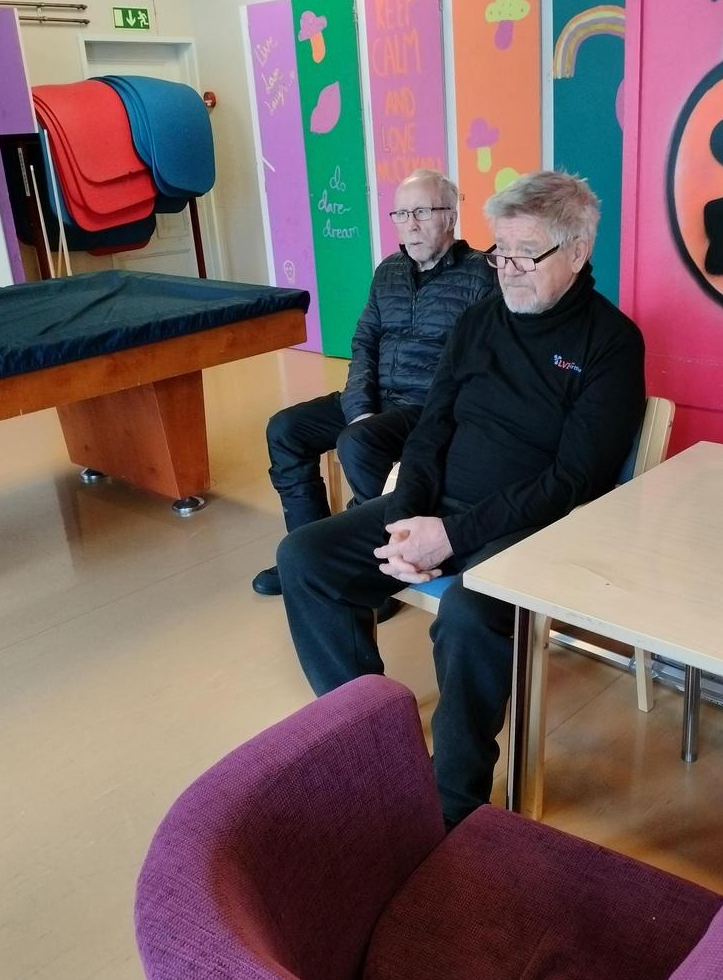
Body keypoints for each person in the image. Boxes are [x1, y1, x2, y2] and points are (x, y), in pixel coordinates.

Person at [277, 171, 646, 828]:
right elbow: (430, 429)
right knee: (305, 558)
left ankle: (454, 802)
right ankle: (369, 739)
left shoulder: (611, 343)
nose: (507, 271)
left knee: (470, 617)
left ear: (577, 251)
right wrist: (404, 520)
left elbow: (574, 481)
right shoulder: (479, 321)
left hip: (534, 530)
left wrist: (451, 537)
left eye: (525, 255)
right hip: (438, 508)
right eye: (500, 253)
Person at [252, 169, 497, 596]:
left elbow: (477, 365)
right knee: (286, 429)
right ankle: (311, 554)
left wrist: (366, 423)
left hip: (425, 406)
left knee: (358, 442)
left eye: (422, 212)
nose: (410, 225)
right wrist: (359, 407)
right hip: (375, 398)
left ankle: (376, 567)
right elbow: (364, 342)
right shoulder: (389, 272)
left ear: (451, 215)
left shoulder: (480, 276)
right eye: (401, 214)